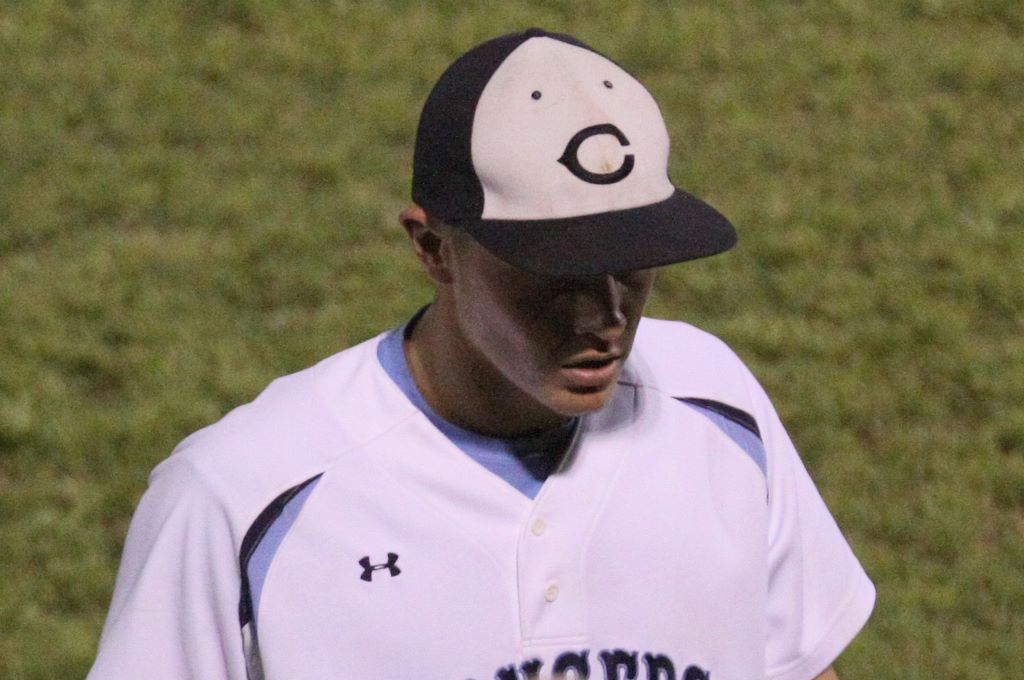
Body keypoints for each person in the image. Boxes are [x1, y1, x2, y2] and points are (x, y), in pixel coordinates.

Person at [88, 28, 874, 680]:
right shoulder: (242, 495)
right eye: (558, 274)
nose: (605, 315)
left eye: (633, 264)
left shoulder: (715, 402)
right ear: (434, 248)